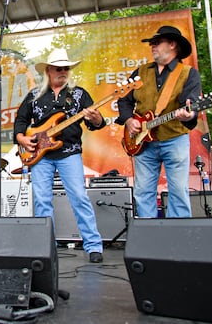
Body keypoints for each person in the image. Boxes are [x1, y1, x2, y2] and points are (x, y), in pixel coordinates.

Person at [14, 49, 105, 263]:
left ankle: (93, 246)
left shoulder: (79, 94)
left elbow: (95, 124)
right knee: (42, 201)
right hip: (40, 155)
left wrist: (97, 118)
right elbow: (20, 120)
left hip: (69, 152)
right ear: (48, 71)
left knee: (79, 198)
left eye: (66, 68)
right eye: (58, 68)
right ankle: (47, 247)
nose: (63, 71)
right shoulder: (34, 95)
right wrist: (21, 138)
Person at [117, 25, 201, 218]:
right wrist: (129, 120)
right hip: (143, 142)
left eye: (157, 42)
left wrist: (190, 114)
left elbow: (191, 105)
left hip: (174, 138)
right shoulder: (140, 72)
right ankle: (150, 236)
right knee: (142, 192)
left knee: (178, 191)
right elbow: (124, 101)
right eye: (151, 43)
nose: (152, 46)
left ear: (172, 44)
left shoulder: (188, 73)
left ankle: (178, 238)